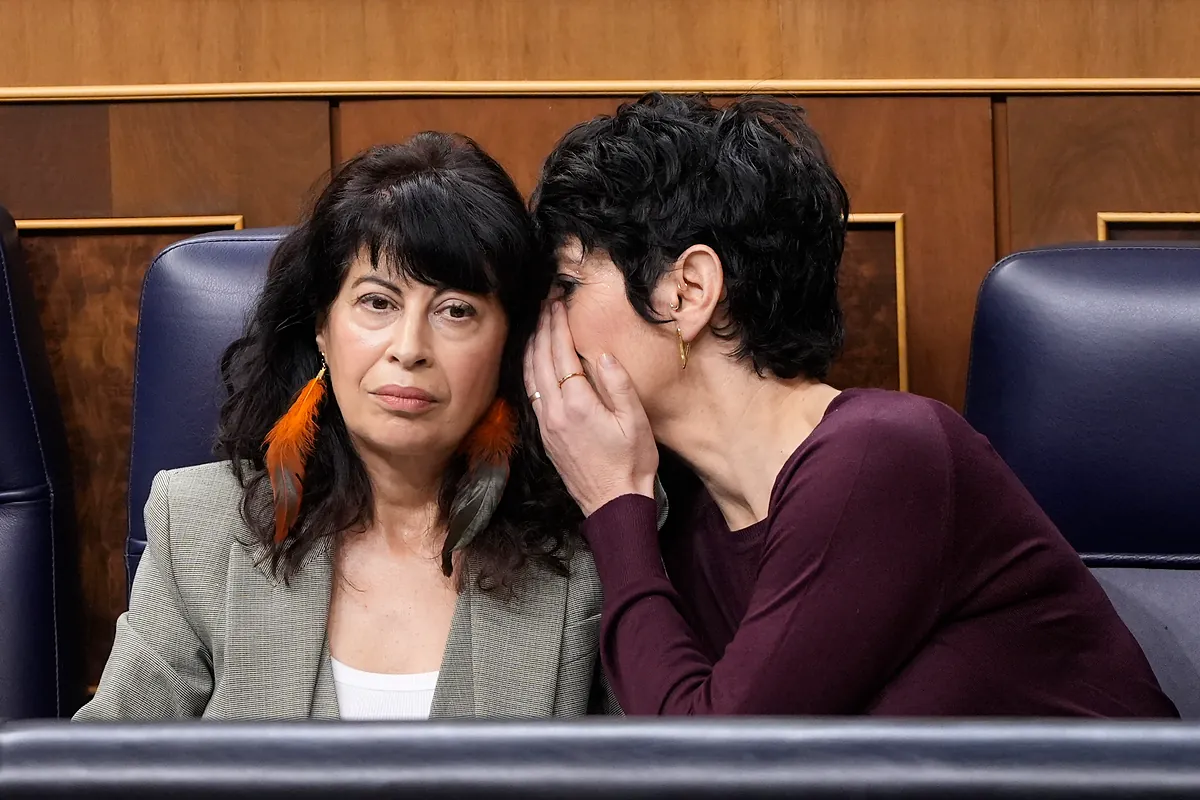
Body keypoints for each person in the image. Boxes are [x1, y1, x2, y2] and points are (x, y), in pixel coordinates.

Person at [524, 92, 1178, 717]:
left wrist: (612, 504)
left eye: (567, 284)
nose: (546, 328)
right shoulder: (689, 524)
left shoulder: (882, 455)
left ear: (688, 290)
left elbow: (719, 760)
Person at [77, 134, 615, 720]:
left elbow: (662, 773)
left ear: (509, 344)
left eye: (456, 310)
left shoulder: (587, 544)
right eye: (378, 303)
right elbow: (97, 772)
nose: (409, 349)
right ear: (322, 329)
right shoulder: (201, 524)